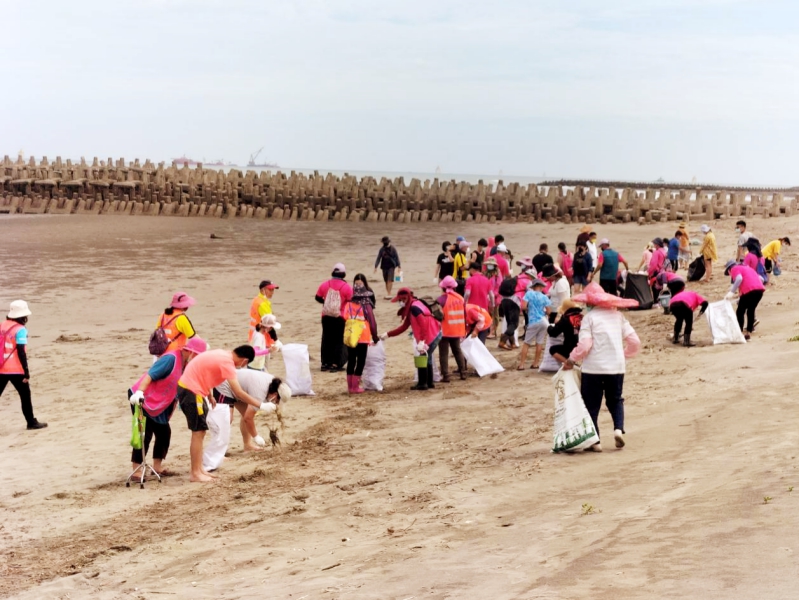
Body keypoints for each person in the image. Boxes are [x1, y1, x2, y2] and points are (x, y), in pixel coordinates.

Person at [564, 283, 640, 451]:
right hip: (616, 366)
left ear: (590, 303)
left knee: (591, 404)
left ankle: (595, 441)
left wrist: (571, 360)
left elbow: (585, 345)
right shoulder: (618, 316)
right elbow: (635, 341)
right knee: (616, 400)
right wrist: (624, 354)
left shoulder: (589, 318)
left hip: (593, 368)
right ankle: (618, 430)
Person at [175, 345, 267, 482]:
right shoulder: (227, 363)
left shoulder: (223, 354)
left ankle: (200, 469)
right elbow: (239, 392)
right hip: (191, 391)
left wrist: (210, 394)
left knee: (201, 432)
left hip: (194, 389)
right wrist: (261, 404)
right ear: (244, 361)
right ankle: (195, 473)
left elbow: (204, 372)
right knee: (198, 432)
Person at [128, 336, 207, 475]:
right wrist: (140, 393)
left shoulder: (187, 365)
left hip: (161, 402)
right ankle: (136, 469)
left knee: (164, 433)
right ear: (190, 352)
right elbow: (150, 375)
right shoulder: (171, 359)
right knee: (145, 432)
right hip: (143, 397)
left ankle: (157, 467)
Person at [205, 371, 291, 470]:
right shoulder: (260, 391)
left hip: (240, 390)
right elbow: (248, 418)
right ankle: (218, 453)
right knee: (226, 419)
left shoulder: (276, 384)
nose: (276, 403)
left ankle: (247, 445)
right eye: (277, 401)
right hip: (225, 384)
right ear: (275, 395)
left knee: (245, 412)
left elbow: (247, 415)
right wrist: (256, 436)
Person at [381, 288, 442, 391]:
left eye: (400, 301)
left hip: (431, 334)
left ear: (404, 299)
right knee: (428, 358)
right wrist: (388, 334)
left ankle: (422, 384)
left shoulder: (414, 308)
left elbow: (423, 324)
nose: (399, 303)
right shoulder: (413, 305)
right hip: (435, 332)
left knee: (422, 358)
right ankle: (429, 382)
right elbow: (404, 327)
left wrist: (422, 341)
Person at [0, 300, 47, 430]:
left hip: (0, 367)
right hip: (15, 369)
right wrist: (26, 371)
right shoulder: (20, 330)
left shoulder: (2, 325)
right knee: (25, 396)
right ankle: (31, 422)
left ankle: (31, 422)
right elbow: (21, 352)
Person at [315, 263, 353, 373]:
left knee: (326, 339)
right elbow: (351, 301)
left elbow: (317, 297)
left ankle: (325, 363)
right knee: (339, 340)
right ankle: (336, 364)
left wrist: (326, 302)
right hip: (340, 317)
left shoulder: (325, 284)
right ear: (343, 274)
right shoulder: (346, 287)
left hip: (326, 316)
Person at [344, 280, 379, 394]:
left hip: (351, 334)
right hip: (363, 336)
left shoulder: (348, 304)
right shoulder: (366, 305)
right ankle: (356, 387)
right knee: (361, 361)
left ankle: (350, 387)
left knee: (351, 360)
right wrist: (375, 336)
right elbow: (372, 321)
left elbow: (344, 317)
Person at [436, 276, 468, 382]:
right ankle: (463, 373)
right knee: (457, 351)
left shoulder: (441, 299)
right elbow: (465, 313)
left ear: (443, 288)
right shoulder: (460, 298)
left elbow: (437, 314)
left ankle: (446, 375)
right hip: (457, 329)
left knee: (443, 353)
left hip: (445, 330)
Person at [725, 260, 765, 340]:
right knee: (751, 310)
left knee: (740, 311)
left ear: (729, 269)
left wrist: (731, 292)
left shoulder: (734, 269)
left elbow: (739, 279)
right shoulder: (748, 268)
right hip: (759, 291)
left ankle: (739, 331)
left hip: (749, 291)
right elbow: (761, 279)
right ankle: (749, 330)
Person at [518, 279, 551, 370]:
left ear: (534, 286)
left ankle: (521, 364)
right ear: (540, 287)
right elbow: (549, 311)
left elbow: (523, 306)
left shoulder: (529, 294)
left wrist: (529, 310)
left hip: (533, 321)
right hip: (543, 321)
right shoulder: (544, 297)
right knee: (539, 343)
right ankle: (536, 363)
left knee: (527, 343)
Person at [668, 281, 708, 347]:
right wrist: (700, 313)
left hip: (672, 304)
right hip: (684, 304)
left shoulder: (683, 294)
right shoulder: (695, 295)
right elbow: (705, 303)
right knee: (689, 322)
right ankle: (686, 341)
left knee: (679, 319)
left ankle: (675, 338)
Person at [546, 299, 583, 364]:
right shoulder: (580, 317)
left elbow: (554, 333)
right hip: (582, 345)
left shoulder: (566, 319)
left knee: (552, 349)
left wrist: (549, 327)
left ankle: (568, 363)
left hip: (570, 346)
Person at [484, 257, 503, 338]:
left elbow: (498, 286)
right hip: (486, 296)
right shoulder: (485, 273)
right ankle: (488, 330)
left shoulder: (497, 275)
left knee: (495, 314)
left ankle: (493, 331)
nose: (489, 266)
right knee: (488, 313)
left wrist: (493, 294)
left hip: (495, 297)